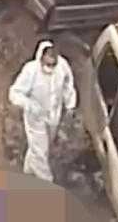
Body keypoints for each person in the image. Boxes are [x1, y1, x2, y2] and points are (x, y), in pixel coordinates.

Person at [8, 40, 77, 183]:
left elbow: (67, 85)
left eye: (54, 58)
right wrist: (29, 105)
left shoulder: (62, 67)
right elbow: (14, 93)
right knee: (40, 151)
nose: (51, 62)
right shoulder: (31, 71)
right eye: (48, 57)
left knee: (40, 148)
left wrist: (70, 105)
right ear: (42, 56)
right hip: (35, 119)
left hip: (53, 117)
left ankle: (27, 172)